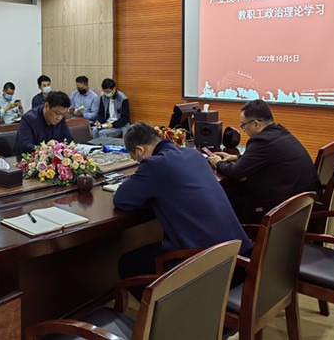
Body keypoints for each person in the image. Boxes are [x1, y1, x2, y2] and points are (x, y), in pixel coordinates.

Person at [114, 122, 253, 300]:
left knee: (128, 263)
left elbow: (121, 199)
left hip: (210, 271)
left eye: (135, 158)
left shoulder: (154, 165)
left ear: (140, 150)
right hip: (240, 260)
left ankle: (168, 314)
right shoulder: (194, 154)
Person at [208, 99, 322, 222]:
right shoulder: (280, 133)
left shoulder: (262, 141)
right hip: (305, 203)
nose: (243, 130)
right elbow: (267, 157)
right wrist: (236, 157)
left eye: (243, 125)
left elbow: (236, 173)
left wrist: (218, 162)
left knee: (226, 198)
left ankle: (235, 232)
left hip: (283, 211)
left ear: (256, 124)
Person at [14, 91, 74, 156]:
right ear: (46, 106)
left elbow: (69, 140)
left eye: (63, 114)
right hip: (26, 158)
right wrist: (48, 150)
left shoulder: (60, 118)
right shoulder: (29, 118)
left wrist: (54, 149)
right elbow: (25, 145)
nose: (59, 118)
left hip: (52, 158)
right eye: (57, 113)